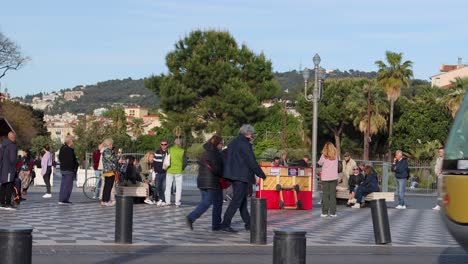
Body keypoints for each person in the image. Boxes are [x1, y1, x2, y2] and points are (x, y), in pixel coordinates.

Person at [220, 124, 266, 233]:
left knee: (242, 201)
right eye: (252, 134)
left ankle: (249, 223)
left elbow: (225, 155)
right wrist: (261, 174)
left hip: (234, 175)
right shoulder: (245, 144)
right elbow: (251, 160)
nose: (252, 135)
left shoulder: (233, 142)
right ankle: (225, 223)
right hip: (241, 176)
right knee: (236, 201)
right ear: (248, 133)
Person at [186, 135, 224, 231]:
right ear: (217, 143)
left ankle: (216, 225)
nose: (222, 146)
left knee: (215, 201)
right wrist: (223, 173)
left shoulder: (205, 151)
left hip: (202, 181)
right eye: (221, 143)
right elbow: (217, 169)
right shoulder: (214, 153)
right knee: (210, 202)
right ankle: (191, 217)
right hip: (212, 182)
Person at [317, 142, 339, 217]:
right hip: (334, 177)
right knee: (333, 195)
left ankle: (325, 212)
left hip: (325, 178)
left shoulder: (324, 155)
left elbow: (319, 163)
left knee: (326, 195)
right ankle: (333, 212)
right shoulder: (336, 155)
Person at [164, 138, 187, 208]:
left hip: (169, 170)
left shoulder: (169, 150)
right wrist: (182, 168)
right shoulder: (182, 151)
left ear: (174, 143)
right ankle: (177, 202)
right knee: (179, 187)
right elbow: (185, 162)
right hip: (178, 171)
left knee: (168, 187)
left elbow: (165, 159)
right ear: (180, 144)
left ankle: (167, 202)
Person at [58, 135, 79, 205]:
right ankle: (64, 200)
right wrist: (75, 167)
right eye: (72, 141)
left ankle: (61, 199)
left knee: (63, 185)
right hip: (69, 170)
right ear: (70, 141)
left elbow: (60, 158)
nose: (73, 142)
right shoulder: (69, 150)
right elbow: (71, 161)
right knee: (68, 186)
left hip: (63, 169)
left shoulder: (62, 148)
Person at [0, 132, 18, 210]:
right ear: (13, 137)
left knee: (3, 185)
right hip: (9, 169)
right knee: (9, 185)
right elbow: (13, 159)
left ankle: (1, 203)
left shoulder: (2, 145)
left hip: (2, 168)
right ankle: (7, 203)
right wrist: (15, 168)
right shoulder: (12, 146)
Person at [100, 138, 120, 206]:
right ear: (109, 144)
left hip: (108, 170)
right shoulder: (107, 151)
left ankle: (104, 200)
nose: (112, 145)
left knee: (107, 186)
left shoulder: (106, 151)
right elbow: (112, 159)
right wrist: (118, 156)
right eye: (111, 144)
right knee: (108, 186)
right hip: (109, 170)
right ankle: (106, 200)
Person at [153, 139, 169, 207]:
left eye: (165, 144)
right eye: (162, 144)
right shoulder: (157, 152)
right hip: (158, 172)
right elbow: (154, 162)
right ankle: (162, 199)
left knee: (163, 187)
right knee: (157, 187)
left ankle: (163, 200)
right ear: (160, 145)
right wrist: (156, 170)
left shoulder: (168, 152)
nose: (163, 146)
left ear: (167, 145)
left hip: (165, 172)